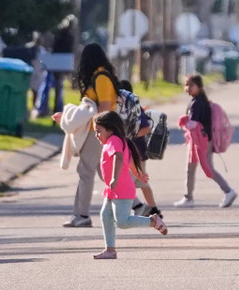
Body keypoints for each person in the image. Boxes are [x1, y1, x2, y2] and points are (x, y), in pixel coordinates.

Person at [55, 42, 119, 228]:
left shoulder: (101, 77)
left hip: (97, 131)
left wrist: (98, 129)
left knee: (85, 172)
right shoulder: (101, 76)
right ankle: (137, 206)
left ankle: (82, 214)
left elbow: (104, 107)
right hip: (98, 130)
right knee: (105, 173)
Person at [92, 110, 167, 260]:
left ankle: (153, 221)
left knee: (123, 221)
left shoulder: (114, 141)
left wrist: (115, 178)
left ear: (110, 130)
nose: (96, 135)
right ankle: (110, 250)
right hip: (113, 189)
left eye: (99, 131)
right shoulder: (118, 141)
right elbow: (129, 160)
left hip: (121, 189)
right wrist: (138, 173)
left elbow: (119, 158)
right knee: (106, 216)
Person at [173, 74, 237, 208]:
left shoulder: (197, 103)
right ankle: (188, 197)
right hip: (197, 140)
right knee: (190, 168)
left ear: (200, 87)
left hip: (201, 141)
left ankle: (228, 191)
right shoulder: (199, 101)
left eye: (191, 85)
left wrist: (183, 122)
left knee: (207, 168)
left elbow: (193, 123)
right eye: (186, 85)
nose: (188, 88)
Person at [119, 80, 163, 219]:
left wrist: (129, 135)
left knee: (124, 183)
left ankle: (136, 209)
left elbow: (146, 128)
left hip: (136, 154)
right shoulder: (120, 110)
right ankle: (154, 210)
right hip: (133, 153)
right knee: (142, 182)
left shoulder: (135, 110)